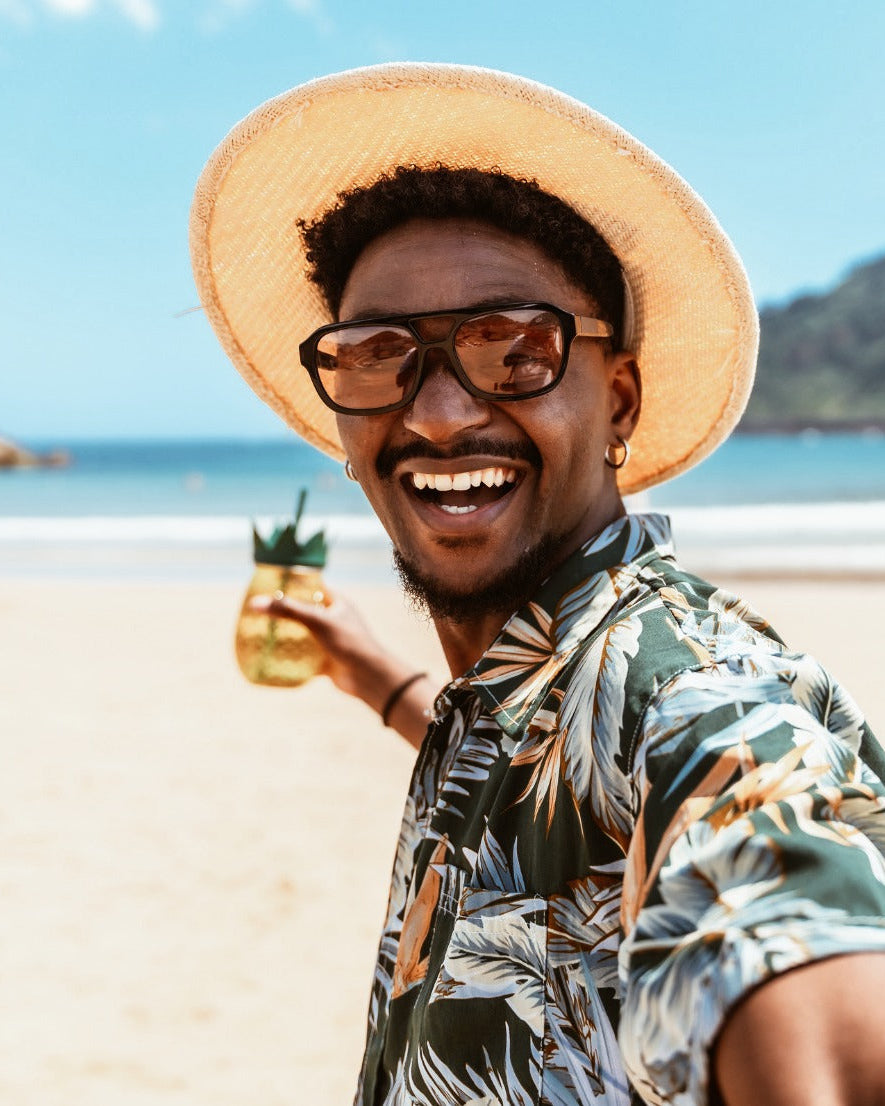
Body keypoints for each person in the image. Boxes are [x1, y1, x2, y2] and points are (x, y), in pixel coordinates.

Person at [191, 64, 885, 1105]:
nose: (433, 413)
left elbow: (769, 857)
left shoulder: (693, 687)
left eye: (511, 347)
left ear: (617, 401)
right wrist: (381, 681)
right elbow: (533, 777)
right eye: (380, 354)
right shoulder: (526, 694)